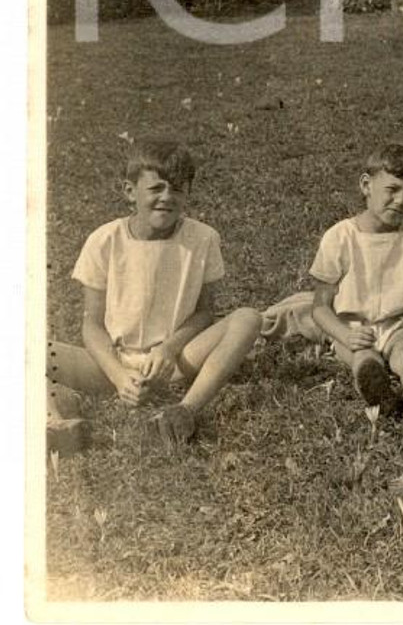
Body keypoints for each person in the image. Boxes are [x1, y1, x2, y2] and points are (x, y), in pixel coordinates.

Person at [46, 136, 262, 453]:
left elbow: (205, 312)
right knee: (29, 349)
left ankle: (184, 411)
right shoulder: (104, 240)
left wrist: (170, 347)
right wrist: (119, 376)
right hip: (111, 364)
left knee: (248, 318)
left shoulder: (202, 239)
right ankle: (56, 423)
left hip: (174, 362)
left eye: (177, 188)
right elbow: (91, 325)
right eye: (156, 188)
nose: (167, 197)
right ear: (129, 192)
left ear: (188, 191)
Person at [264, 144, 403, 416]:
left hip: (401, 323)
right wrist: (345, 334)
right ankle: (381, 395)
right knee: (362, 356)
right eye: (392, 189)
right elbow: (320, 306)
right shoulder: (340, 237)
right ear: (367, 185)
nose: (402, 200)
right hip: (351, 326)